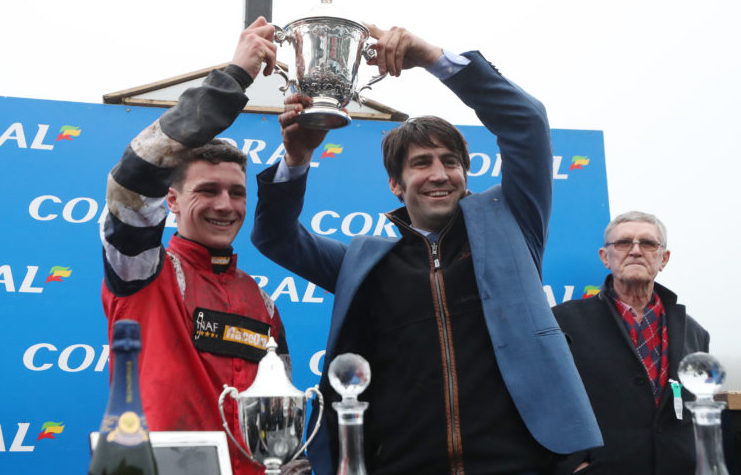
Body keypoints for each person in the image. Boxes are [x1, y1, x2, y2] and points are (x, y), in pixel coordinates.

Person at [251, 24, 602, 475]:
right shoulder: (364, 263)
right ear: (397, 185)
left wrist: (434, 58)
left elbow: (526, 122)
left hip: (520, 466)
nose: (439, 174)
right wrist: (296, 158)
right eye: (421, 163)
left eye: (449, 161)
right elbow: (275, 236)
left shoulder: (513, 224)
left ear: (465, 174)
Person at [100, 17, 290, 475]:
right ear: (172, 199)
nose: (225, 205)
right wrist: (234, 79)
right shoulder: (142, 271)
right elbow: (132, 178)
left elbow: (279, 430)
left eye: (237, 192)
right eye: (208, 190)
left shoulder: (262, 303)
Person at [552, 211, 710, 475]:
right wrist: (572, 464)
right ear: (605, 257)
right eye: (624, 243)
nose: (636, 251)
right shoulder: (563, 321)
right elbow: (545, 401)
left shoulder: (695, 333)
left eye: (648, 244)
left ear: (664, 259)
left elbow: (694, 410)